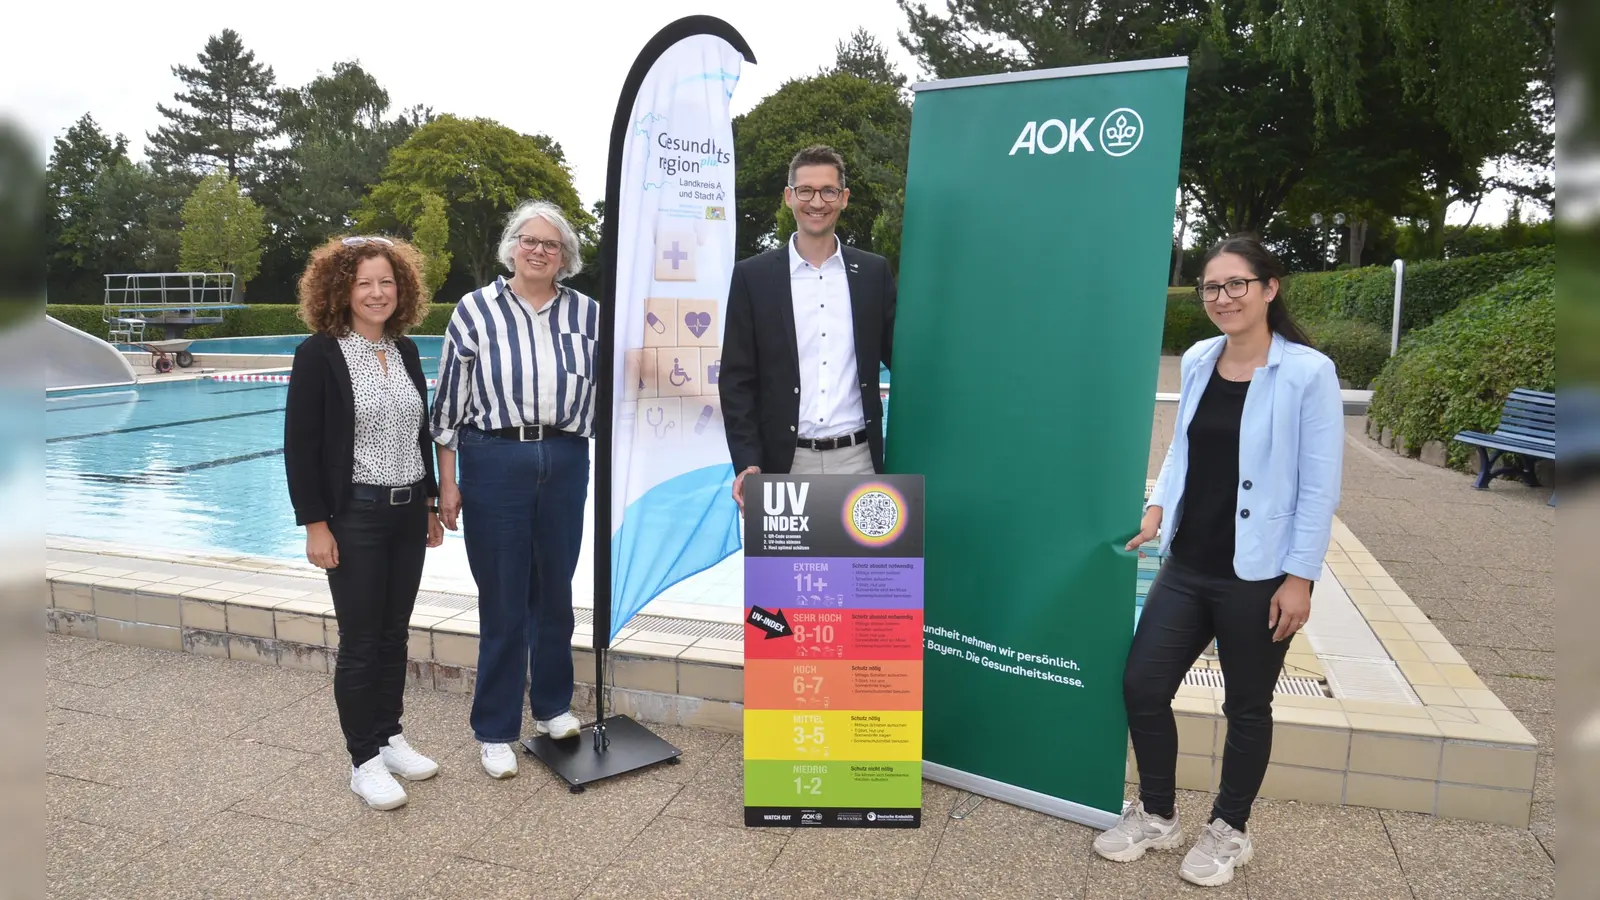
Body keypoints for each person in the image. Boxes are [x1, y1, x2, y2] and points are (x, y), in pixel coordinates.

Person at [1095, 234, 1343, 886]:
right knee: (1142, 686)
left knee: (1248, 706)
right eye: (1212, 286)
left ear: (1269, 288)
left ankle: (1229, 830)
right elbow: (1182, 449)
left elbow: (1320, 485)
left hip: (1259, 573)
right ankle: (1157, 814)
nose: (1223, 297)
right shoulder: (1203, 357)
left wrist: (1300, 577)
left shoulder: (1308, 373)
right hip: (1189, 563)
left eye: (1237, 284)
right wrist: (1157, 510)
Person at [430, 200, 597, 780]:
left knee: (555, 590)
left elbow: (617, 390)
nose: (539, 251)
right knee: (503, 596)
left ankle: (552, 706)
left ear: (565, 257)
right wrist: (446, 482)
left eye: (551, 245)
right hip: (494, 456)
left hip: (566, 456)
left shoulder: (589, 315)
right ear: (512, 246)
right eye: (529, 240)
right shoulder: (474, 312)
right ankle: (496, 728)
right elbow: (447, 407)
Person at [284, 235, 446, 811]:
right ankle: (363, 761)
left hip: (407, 514)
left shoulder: (403, 351)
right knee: (361, 640)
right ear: (341, 290)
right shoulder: (320, 353)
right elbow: (300, 448)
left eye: (386, 282)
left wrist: (428, 502)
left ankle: (389, 734)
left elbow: (417, 435)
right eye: (364, 283)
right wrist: (315, 525)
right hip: (354, 516)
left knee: (394, 632)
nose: (377, 293)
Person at [719, 144, 897, 509]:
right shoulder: (752, 276)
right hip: (783, 466)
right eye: (806, 191)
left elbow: (904, 360)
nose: (817, 202)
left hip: (860, 463)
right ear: (789, 197)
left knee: (863, 569)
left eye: (829, 191)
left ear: (844, 198)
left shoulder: (874, 273)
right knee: (787, 570)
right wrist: (748, 461)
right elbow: (737, 379)